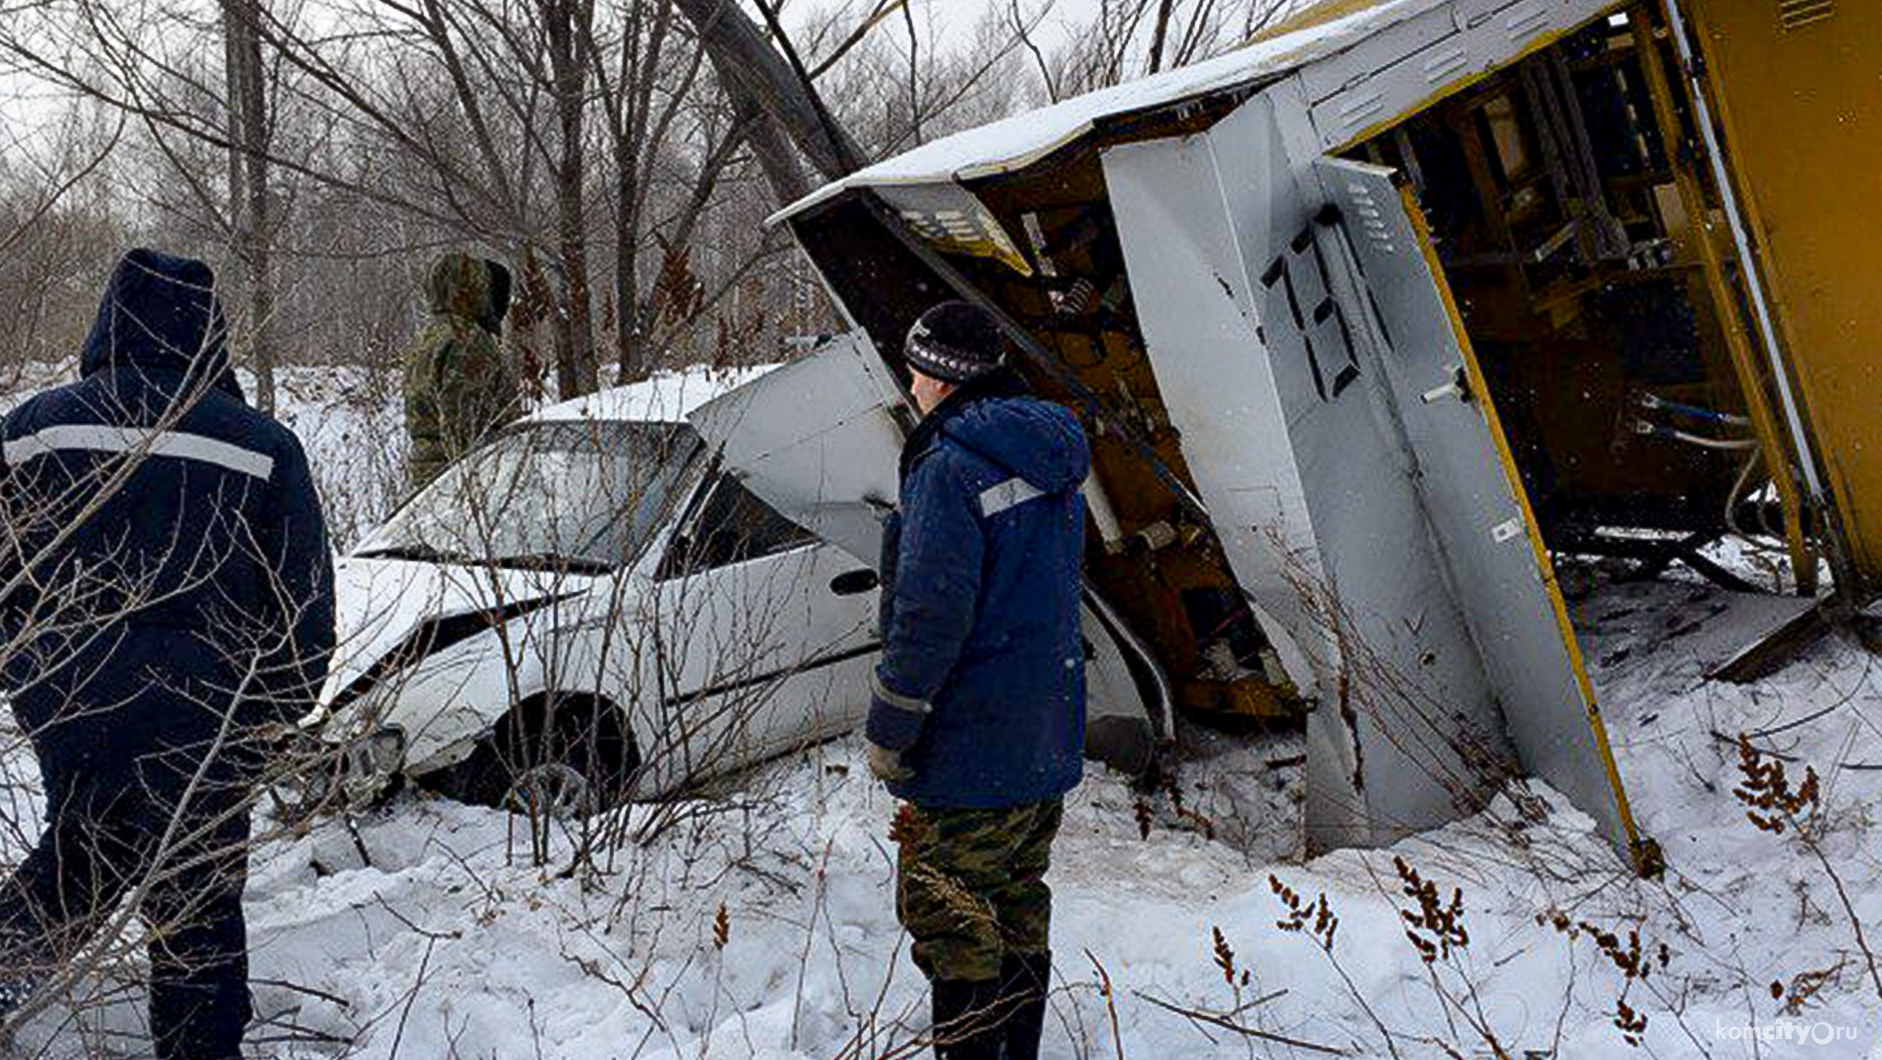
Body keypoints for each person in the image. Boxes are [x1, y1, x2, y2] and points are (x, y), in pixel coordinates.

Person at [0, 248, 336, 1059]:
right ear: (211, 333)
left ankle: (8, 967)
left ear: (110, 320)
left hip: (73, 700)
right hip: (207, 712)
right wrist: (270, 717)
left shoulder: (35, 430)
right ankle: (197, 1046)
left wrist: (32, 682)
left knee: (87, 844)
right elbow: (302, 606)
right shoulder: (262, 446)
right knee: (198, 892)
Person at [866, 301, 1091, 1060]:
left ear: (936, 376)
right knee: (1018, 900)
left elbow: (929, 617)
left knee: (951, 916)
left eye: (915, 367)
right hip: (1043, 732)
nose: (910, 381)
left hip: (969, 748)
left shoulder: (948, 469)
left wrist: (892, 729)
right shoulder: (1050, 448)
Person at [402, 251, 521, 489]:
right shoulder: (467, 341)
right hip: (460, 480)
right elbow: (466, 427)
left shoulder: (430, 335)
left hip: (428, 474)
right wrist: (480, 486)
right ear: (474, 291)